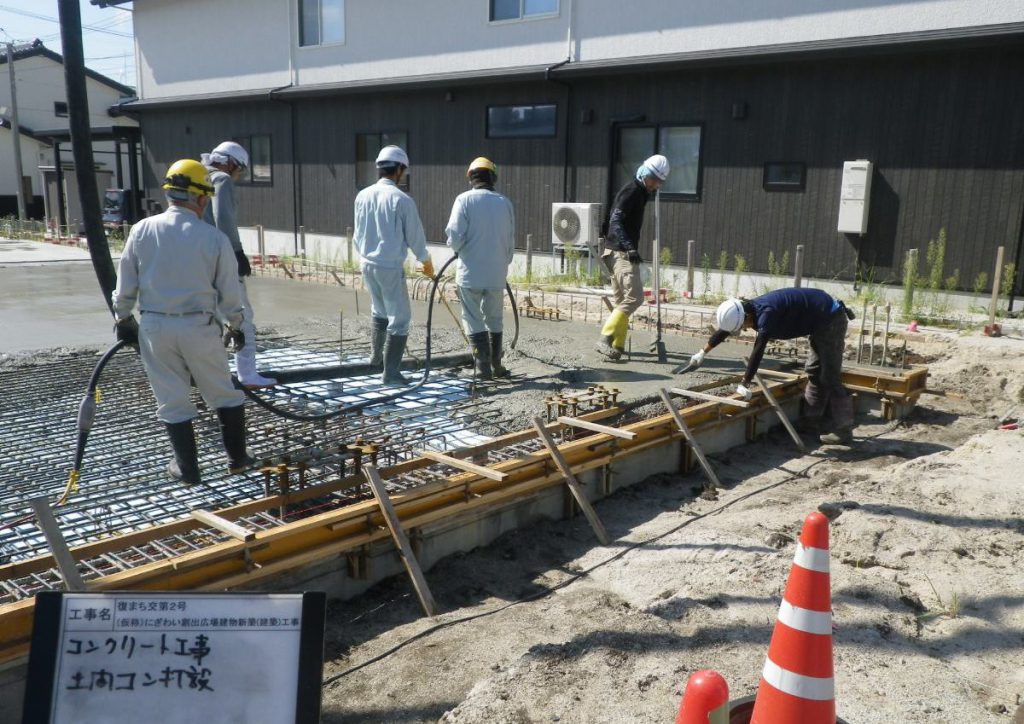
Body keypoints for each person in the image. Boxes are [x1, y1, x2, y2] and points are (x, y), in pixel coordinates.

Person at [111, 159, 256, 485]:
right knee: (224, 394)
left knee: (172, 400)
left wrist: (122, 317)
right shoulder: (213, 238)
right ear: (201, 198)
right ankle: (237, 459)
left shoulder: (142, 230)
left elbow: (125, 286)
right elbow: (230, 293)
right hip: (199, 327)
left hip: (155, 328)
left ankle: (187, 469)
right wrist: (235, 325)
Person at [687, 287, 856, 445]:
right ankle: (811, 420)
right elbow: (726, 328)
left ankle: (844, 430)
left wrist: (745, 383)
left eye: (743, 327)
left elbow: (758, 351)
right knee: (812, 370)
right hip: (818, 319)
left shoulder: (766, 315)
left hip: (830, 319)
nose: (745, 330)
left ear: (747, 317)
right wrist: (703, 352)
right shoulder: (745, 310)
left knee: (829, 376)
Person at [353, 145, 434, 385]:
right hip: (388, 266)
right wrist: (425, 260)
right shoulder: (401, 199)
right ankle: (390, 374)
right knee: (400, 319)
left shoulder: (362, 195)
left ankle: (376, 358)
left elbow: (357, 235)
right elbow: (415, 236)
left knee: (379, 310)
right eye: (404, 170)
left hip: (367, 263)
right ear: (399, 169)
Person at [201, 140, 277, 388]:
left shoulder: (195, 177)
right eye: (240, 170)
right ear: (231, 163)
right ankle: (247, 375)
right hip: (220, 259)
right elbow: (224, 218)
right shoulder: (220, 180)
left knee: (209, 320)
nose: (238, 175)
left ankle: (209, 375)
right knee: (242, 316)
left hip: (197, 262)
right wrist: (237, 252)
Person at [445, 157, 515, 379]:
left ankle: (482, 367)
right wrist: (502, 262)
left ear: (470, 177)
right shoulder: (505, 202)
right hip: (496, 273)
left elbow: (455, 236)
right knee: (495, 317)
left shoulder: (463, 200)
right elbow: (511, 241)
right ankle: (497, 365)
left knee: (473, 317)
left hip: (470, 273)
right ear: (493, 177)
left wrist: (457, 248)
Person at [595, 154, 671, 360]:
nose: (656, 185)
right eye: (654, 180)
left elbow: (610, 217)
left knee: (622, 302)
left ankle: (618, 346)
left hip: (613, 251)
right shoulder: (631, 191)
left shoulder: (639, 192)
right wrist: (630, 248)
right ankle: (605, 338)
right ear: (644, 174)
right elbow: (615, 221)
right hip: (621, 253)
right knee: (635, 297)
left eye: (659, 182)